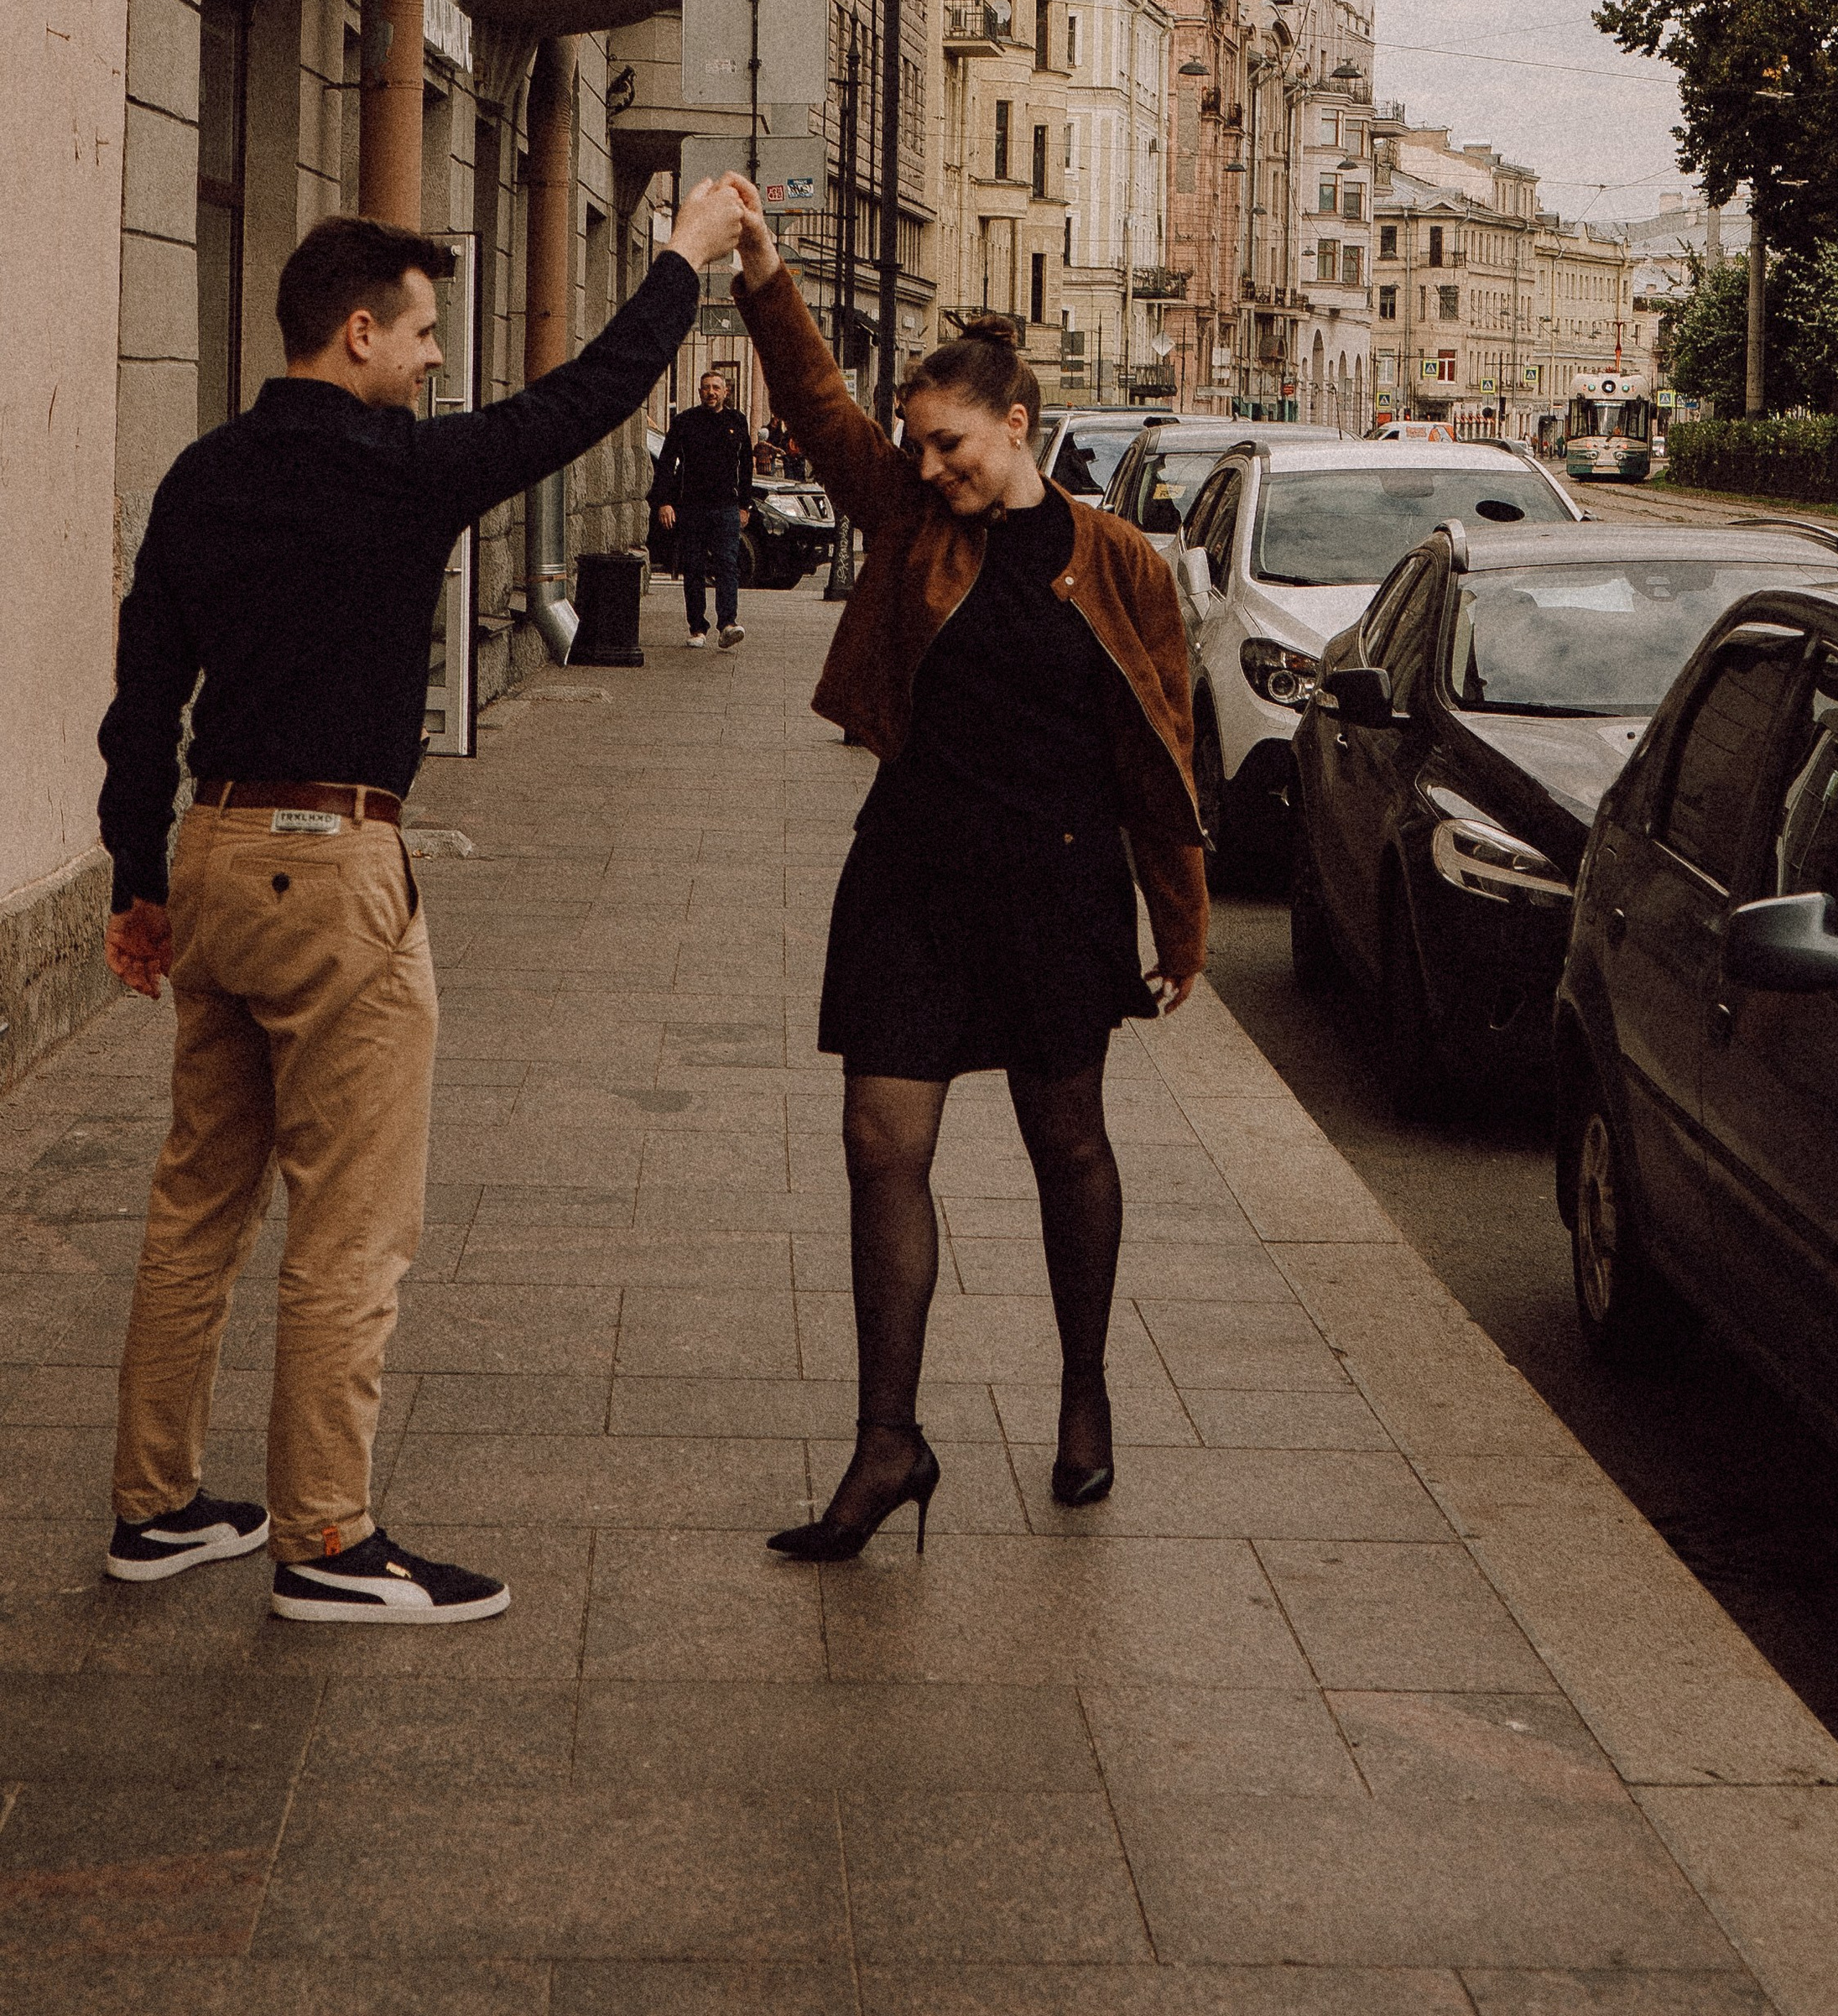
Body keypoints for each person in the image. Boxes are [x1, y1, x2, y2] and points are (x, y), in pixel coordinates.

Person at [95, 176, 745, 1623]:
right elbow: (587, 399)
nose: (437, 358)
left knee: (199, 1196)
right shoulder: (399, 470)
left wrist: (140, 880)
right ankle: (326, 1542)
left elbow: (145, 702)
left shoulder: (204, 476)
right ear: (355, 334)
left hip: (212, 850)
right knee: (350, 1224)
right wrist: (680, 260)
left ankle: (156, 1507)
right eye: (424, 334)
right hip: (333, 866)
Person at [721, 175, 1207, 1561]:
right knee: (881, 1144)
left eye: (952, 447)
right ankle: (890, 1442)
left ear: (1015, 427)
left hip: (1057, 884)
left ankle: (1085, 1390)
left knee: (1069, 1145)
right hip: (914, 876)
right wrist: (762, 272)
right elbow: (819, 408)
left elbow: (1162, 756)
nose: (929, 468)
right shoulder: (906, 520)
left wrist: (1180, 925)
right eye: (919, 449)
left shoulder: (1121, 566)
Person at [652, 364, 755, 649]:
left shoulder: (737, 421)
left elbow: (746, 465)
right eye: (706, 388)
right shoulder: (685, 422)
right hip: (691, 507)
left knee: (727, 565)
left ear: (726, 392)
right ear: (699, 392)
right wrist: (664, 502)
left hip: (726, 507)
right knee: (694, 567)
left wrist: (745, 505)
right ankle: (697, 628)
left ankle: (728, 624)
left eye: (716, 388)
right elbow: (665, 463)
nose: (711, 393)